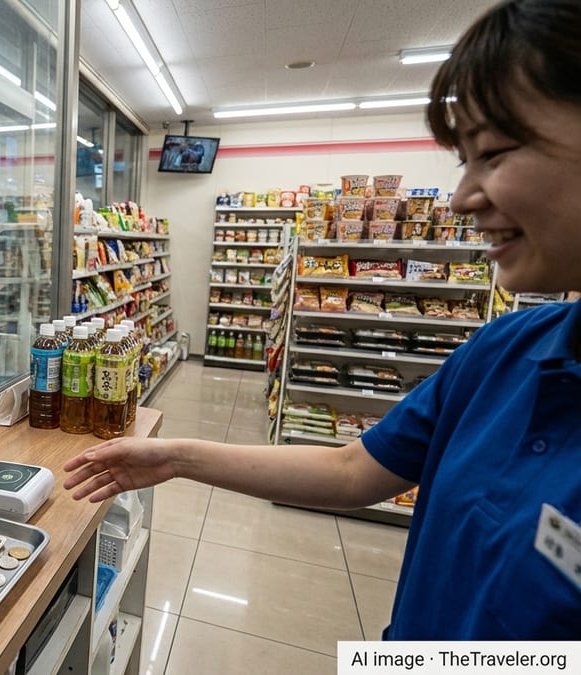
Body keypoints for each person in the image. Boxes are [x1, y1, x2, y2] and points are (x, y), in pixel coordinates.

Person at [64, 0, 581, 640]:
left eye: (496, 153)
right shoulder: (505, 349)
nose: (460, 198)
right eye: (462, 161)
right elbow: (352, 471)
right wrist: (174, 457)